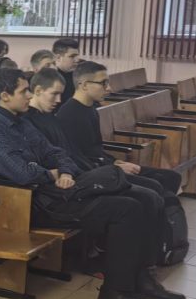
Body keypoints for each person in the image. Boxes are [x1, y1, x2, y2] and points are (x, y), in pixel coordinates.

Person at [0, 69, 177, 299]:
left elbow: (57, 153)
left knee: (146, 197)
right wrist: (51, 174)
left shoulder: (22, 123)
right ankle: (114, 295)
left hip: (58, 192)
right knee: (127, 209)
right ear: (5, 96)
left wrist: (64, 171)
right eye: (23, 91)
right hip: (36, 205)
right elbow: (23, 174)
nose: (28, 95)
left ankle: (142, 279)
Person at [25, 69, 183, 292]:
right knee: (142, 199)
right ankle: (132, 275)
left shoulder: (49, 117)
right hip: (60, 192)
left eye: (61, 94)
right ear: (37, 91)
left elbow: (70, 154)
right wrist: (80, 172)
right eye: (54, 94)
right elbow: (43, 165)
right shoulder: (29, 122)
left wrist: (96, 169)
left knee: (150, 195)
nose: (59, 100)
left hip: (78, 177)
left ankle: (144, 273)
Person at [57, 61, 183, 199]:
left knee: (171, 177)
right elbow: (78, 158)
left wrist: (116, 162)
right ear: (84, 85)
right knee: (154, 187)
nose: (109, 88)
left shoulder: (91, 108)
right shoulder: (69, 114)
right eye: (103, 83)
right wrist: (115, 167)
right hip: (94, 173)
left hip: (105, 165)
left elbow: (96, 149)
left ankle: (165, 210)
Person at [52, 38, 81, 106]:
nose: (77, 60)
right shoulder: (51, 79)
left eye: (77, 56)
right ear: (58, 58)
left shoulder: (79, 76)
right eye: (72, 56)